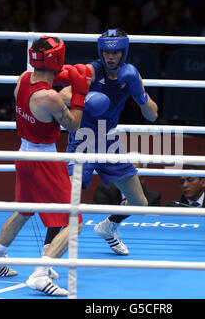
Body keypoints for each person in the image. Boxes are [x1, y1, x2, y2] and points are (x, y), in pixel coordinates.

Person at [0, 36, 92, 297]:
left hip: (24, 154)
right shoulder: (49, 98)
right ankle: (41, 274)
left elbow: (45, 90)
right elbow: (74, 124)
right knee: (74, 222)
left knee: (24, 211)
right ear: (58, 59)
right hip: (44, 160)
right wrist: (80, 92)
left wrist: (65, 81)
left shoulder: (22, 80)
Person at [55, 28, 158, 256]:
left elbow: (153, 115)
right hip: (82, 139)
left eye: (116, 53)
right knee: (67, 201)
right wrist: (83, 98)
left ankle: (108, 227)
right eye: (107, 53)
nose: (111, 57)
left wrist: (140, 95)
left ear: (124, 52)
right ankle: (48, 254)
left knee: (140, 203)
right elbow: (60, 97)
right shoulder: (91, 72)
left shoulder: (131, 74)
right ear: (101, 51)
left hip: (110, 140)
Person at [92, 163, 161, 254]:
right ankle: (107, 226)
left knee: (140, 203)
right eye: (131, 169)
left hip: (98, 153)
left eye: (135, 171)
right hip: (81, 155)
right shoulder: (106, 190)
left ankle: (107, 225)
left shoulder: (152, 196)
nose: (133, 175)